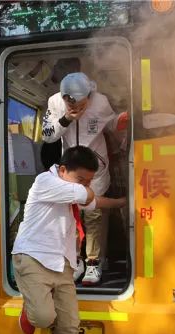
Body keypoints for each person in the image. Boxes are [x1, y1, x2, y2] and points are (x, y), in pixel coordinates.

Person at [12, 146, 125, 334]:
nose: (86, 185)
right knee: (43, 318)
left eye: (89, 180)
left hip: (62, 264)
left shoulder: (70, 190)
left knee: (71, 324)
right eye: (81, 179)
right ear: (62, 170)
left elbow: (94, 201)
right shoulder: (45, 181)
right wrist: (86, 189)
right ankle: (30, 309)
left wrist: (123, 203)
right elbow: (87, 196)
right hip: (33, 257)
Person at [41, 72, 128, 285]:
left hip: (95, 169)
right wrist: (67, 118)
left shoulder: (100, 102)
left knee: (95, 215)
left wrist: (121, 121)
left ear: (89, 95)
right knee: (70, 217)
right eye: (69, 102)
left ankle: (94, 262)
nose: (76, 106)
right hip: (70, 171)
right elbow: (47, 134)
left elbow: (110, 126)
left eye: (80, 103)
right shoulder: (55, 102)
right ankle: (75, 260)